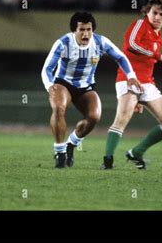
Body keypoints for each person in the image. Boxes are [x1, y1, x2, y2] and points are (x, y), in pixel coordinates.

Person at [41, 12, 142, 168]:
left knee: (94, 117)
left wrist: (131, 76)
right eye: (81, 29)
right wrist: (49, 86)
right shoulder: (63, 43)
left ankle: (71, 145)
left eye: (88, 29)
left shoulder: (100, 42)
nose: (85, 33)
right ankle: (59, 152)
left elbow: (120, 57)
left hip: (86, 87)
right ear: (74, 30)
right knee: (58, 108)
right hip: (63, 83)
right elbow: (47, 69)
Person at [101, 0, 162, 170]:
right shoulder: (140, 24)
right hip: (129, 79)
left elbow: (147, 66)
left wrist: (142, 96)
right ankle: (107, 161)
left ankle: (137, 152)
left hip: (147, 84)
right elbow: (131, 45)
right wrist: (158, 56)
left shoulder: (158, 38)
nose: (158, 17)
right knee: (121, 120)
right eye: (155, 12)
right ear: (147, 12)